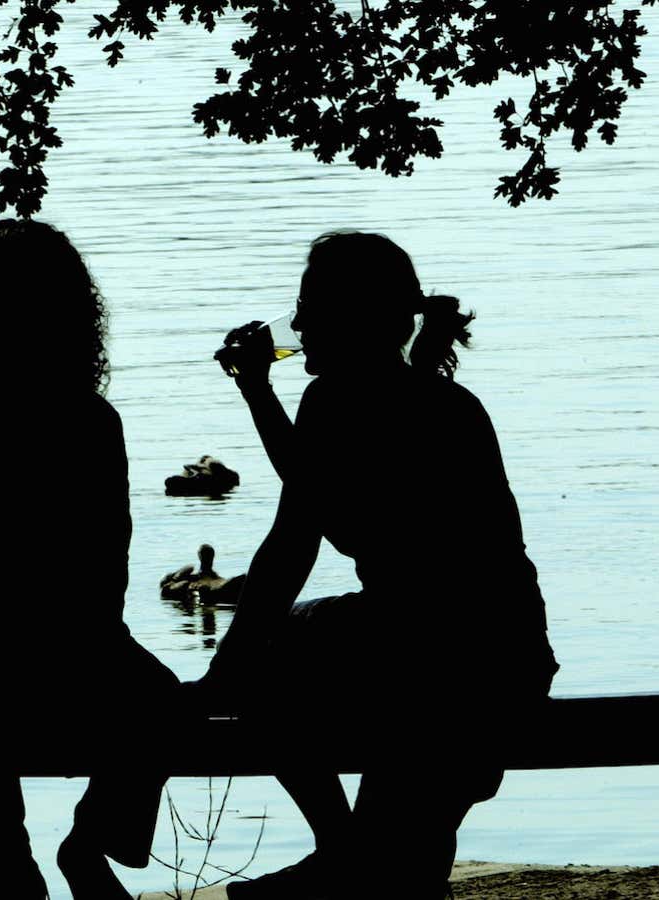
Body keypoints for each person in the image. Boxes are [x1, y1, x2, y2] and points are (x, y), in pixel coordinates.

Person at [199, 231, 558, 899]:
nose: (297, 323)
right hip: (506, 656)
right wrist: (257, 392)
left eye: (308, 307)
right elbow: (316, 493)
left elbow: (296, 536)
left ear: (347, 317)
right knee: (407, 863)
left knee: (272, 646)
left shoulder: (336, 402)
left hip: (422, 658)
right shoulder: (444, 402)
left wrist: (226, 672)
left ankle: (340, 851)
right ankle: (347, 857)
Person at [0, 219, 179, 900]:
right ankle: (90, 841)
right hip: (71, 655)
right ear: (71, 316)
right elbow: (109, 565)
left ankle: (9, 861)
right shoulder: (89, 418)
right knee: (165, 704)